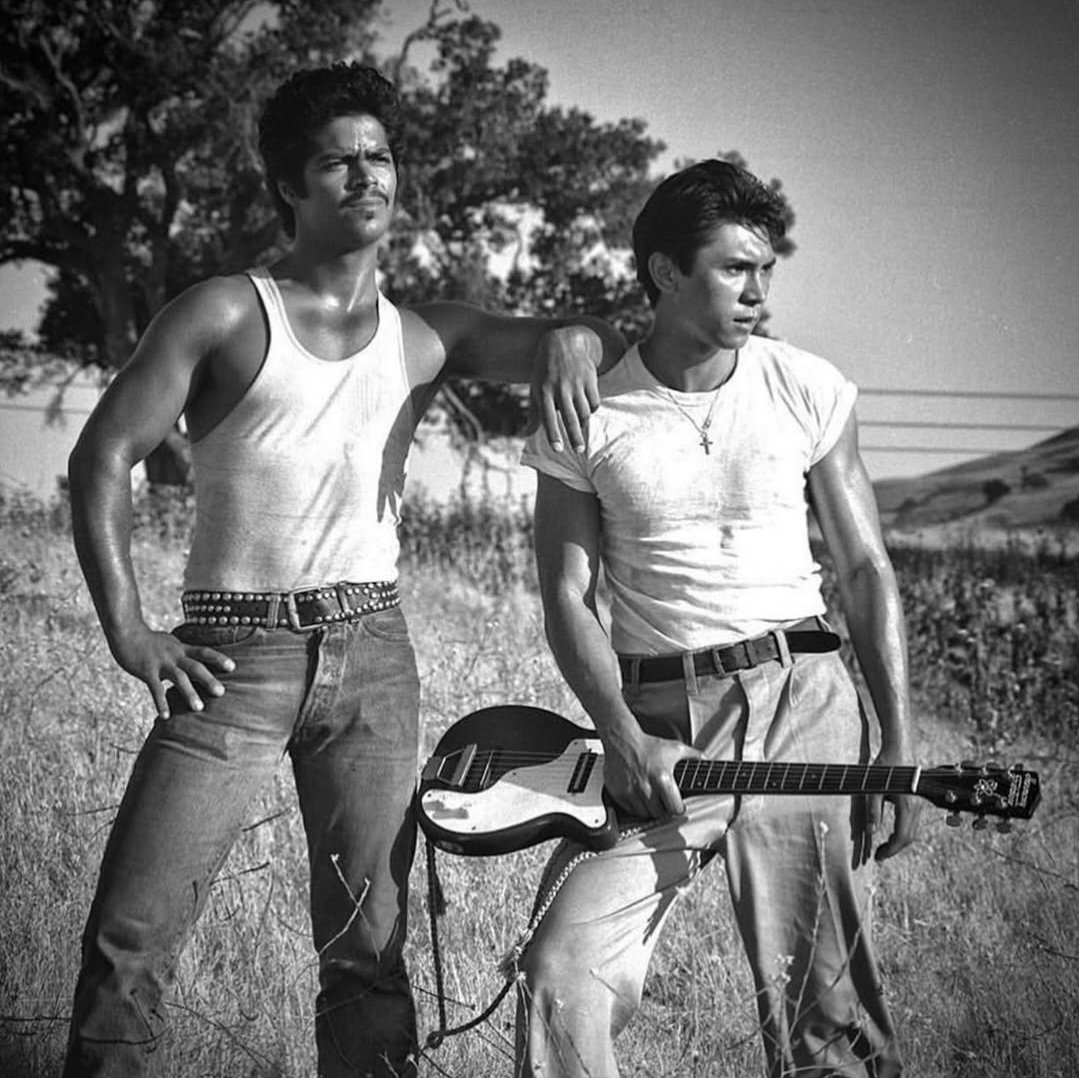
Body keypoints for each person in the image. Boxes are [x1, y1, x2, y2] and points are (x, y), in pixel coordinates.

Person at [63, 63, 623, 1078]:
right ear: (288, 185)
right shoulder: (225, 312)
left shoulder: (422, 335)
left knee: (367, 952)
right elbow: (100, 457)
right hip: (231, 656)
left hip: (373, 654)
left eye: (380, 157)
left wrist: (575, 332)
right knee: (130, 940)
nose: (367, 177)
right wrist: (130, 629)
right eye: (338, 162)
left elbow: (553, 341)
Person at [515, 159, 921, 1077]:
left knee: (825, 1014)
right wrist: (617, 734)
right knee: (558, 969)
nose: (757, 290)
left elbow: (862, 568)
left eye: (765, 270)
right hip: (658, 724)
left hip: (802, 699)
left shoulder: (804, 385)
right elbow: (566, 597)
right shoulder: (590, 414)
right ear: (664, 272)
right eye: (734, 268)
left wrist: (895, 736)